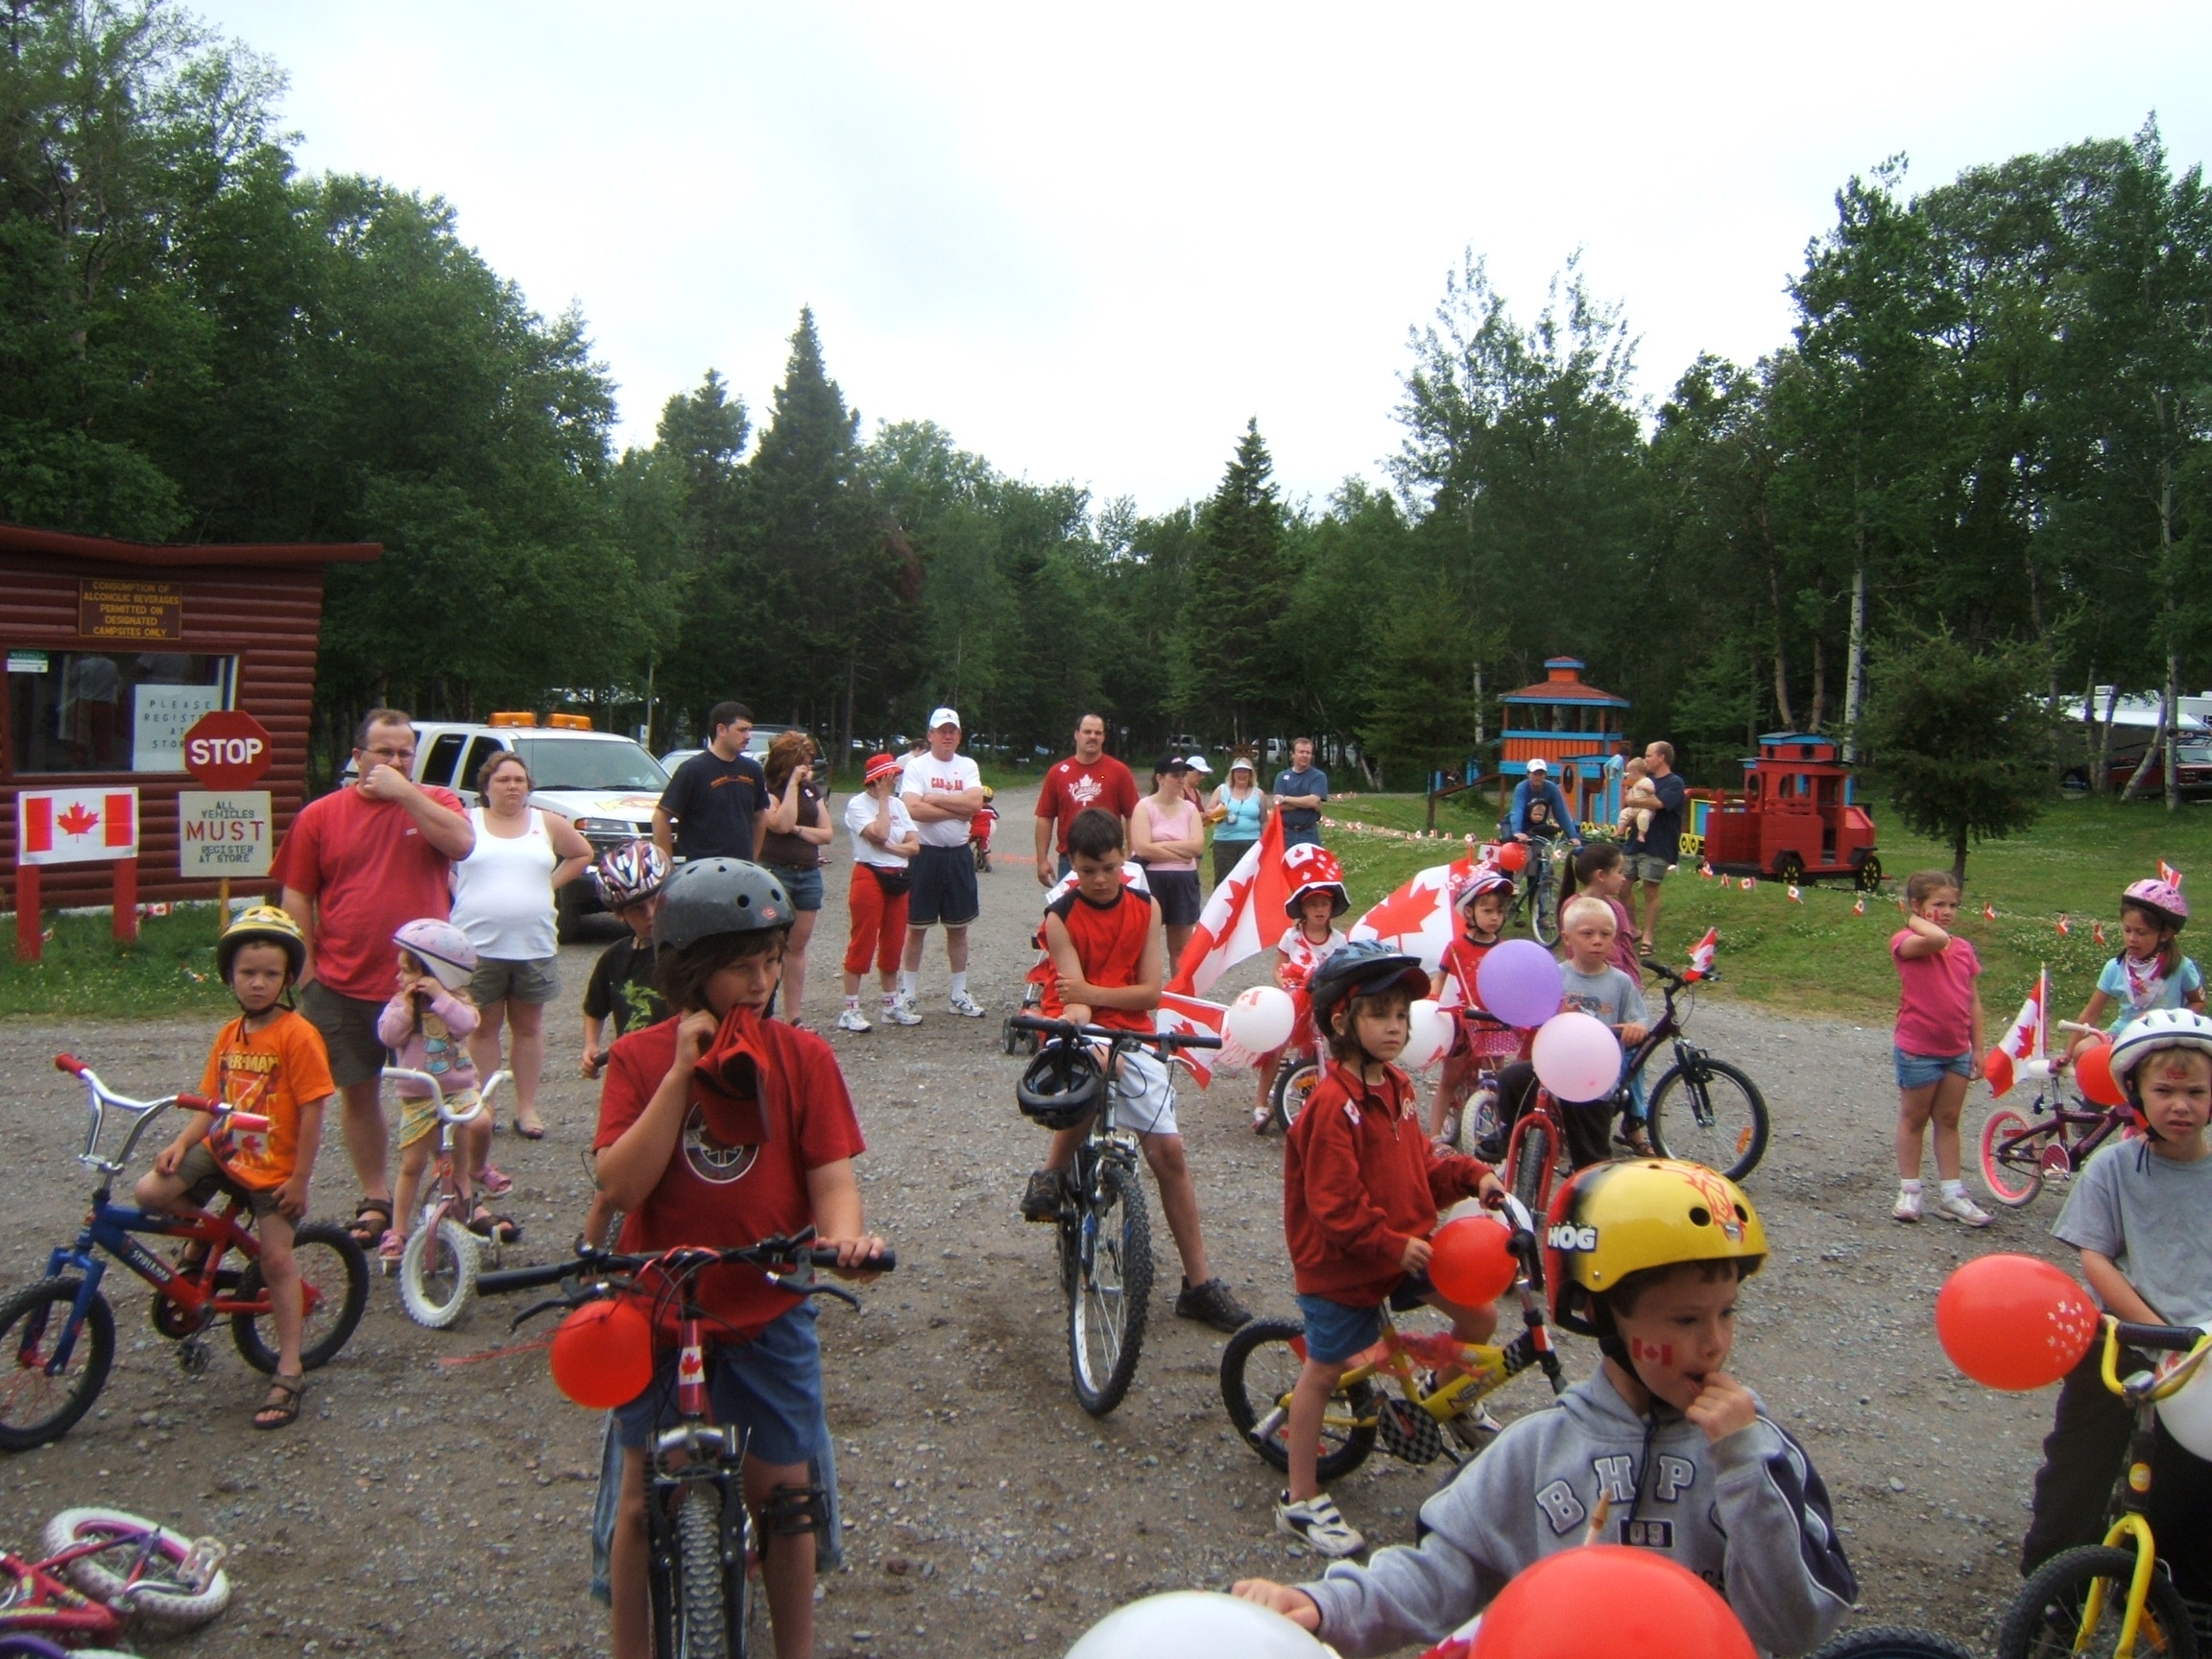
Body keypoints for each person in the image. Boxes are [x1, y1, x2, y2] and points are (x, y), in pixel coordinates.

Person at [1233, 1158, 1857, 1655]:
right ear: (1600, 1313)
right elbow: (1439, 1577)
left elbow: (1796, 1626)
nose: (1715, 1342)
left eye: (1727, 1313)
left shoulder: (1757, 1450)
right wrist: (1327, 1608)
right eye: (1687, 1319)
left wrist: (1744, 1464)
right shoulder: (1536, 1451)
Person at [593, 856, 884, 1659]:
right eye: (738, 966)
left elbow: (832, 1177)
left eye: (769, 959)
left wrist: (844, 1236)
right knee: (635, 1503)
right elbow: (621, 1185)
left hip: (767, 1304)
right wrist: (683, 1076)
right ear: (690, 969)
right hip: (656, 1307)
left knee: (785, 1499)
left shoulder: (803, 1059)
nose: (759, 981)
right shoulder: (640, 1059)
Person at [1275, 941, 1506, 1557]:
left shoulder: (1399, 1084)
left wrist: (1469, 1176)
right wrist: (1386, 1243)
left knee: (1480, 1311)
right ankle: (1300, 1500)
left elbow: (1420, 1164)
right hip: (1344, 1265)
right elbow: (1334, 1205)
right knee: (1322, 1375)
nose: (1396, 1027)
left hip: (1403, 1249)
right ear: (1342, 1019)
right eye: (1380, 1014)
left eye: (1402, 1015)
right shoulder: (1331, 1106)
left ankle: (1451, 1400)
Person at [1017, 806, 1252, 1333]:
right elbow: (1071, 1002)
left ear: (1124, 859)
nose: (1099, 880)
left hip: (1133, 1024)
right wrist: (1090, 1026)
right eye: (1087, 870)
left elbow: (1149, 991)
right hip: (1077, 1024)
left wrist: (1096, 998)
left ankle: (1199, 1284)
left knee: (1169, 1152)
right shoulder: (1059, 917)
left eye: (1108, 867)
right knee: (1092, 1063)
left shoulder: (1146, 909)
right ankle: (1052, 1174)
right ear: (1071, 866)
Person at [2021, 1009, 2212, 1600]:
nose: (2180, 1104)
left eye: (2196, 1092)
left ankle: (2184, 1597)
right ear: (2135, 1093)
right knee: (2082, 1453)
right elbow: (2097, 1259)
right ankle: (2056, 1584)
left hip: (2206, 1349)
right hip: (2130, 1334)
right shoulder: (2112, 1167)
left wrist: (2195, 1345)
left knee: (2191, 1478)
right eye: (2165, 1091)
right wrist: (2156, 1331)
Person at [275, 708, 475, 1251]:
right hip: (341, 983)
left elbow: (461, 845)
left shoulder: (437, 803)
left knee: (439, 1091)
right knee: (357, 1092)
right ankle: (375, 1197)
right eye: (383, 752)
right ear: (358, 756)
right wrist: (305, 968)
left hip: (423, 990)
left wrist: (405, 792)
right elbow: (297, 892)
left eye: (404, 752)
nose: (394, 761)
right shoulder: (320, 815)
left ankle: (451, 1191)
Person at [135, 905, 333, 1431]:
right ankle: (208, 1238)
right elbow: (210, 1098)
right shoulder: (229, 1034)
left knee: (277, 1262)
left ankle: (289, 1368)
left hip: (273, 1168)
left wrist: (300, 1178)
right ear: (229, 976)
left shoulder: (298, 1035)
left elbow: (314, 1106)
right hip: (226, 1151)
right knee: (149, 1193)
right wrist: (181, 1143)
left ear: (288, 978)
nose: (258, 983)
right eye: (248, 973)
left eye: (271, 974)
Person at [450, 751, 591, 1141]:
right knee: (483, 1029)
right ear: (486, 787)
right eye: (503, 780)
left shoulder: (546, 823)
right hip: (477, 947)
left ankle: (527, 1109)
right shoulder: (467, 823)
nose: (512, 786)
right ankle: (484, 1105)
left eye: (519, 780)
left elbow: (582, 854)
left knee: (528, 1028)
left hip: (533, 944)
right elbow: (442, 866)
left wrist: (550, 885)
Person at [375, 918, 517, 1260]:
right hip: (419, 1096)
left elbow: (466, 1025)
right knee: (412, 1164)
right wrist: (409, 1008)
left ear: (433, 974)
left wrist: (439, 997)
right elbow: (387, 1036)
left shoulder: (457, 1000)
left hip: (459, 1089)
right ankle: (398, 1230)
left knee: (479, 1123)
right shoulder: (400, 1004)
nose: (400, 979)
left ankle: (479, 1170)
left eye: (407, 972)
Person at [1890, 869, 1991, 1226]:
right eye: (1939, 905)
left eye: (1953, 905)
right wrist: (1915, 919)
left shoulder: (1963, 949)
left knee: (1948, 1120)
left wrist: (1978, 1048)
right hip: (1918, 1047)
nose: (1948, 912)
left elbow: (1973, 1002)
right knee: (1914, 1118)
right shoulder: (1907, 941)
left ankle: (1953, 1193)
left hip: (1956, 1050)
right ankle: (1910, 1190)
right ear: (1917, 907)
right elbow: (1934, 939)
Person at [1558, 844, 1652, 1151]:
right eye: (1620, 872)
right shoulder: (1575, 907)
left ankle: (1633, 1122)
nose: (1625, 879)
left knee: (1633, 1057)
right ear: (1601, 875)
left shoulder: (1618, 909)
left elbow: (1625, 952)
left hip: (1617, 989)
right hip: (1586, 998)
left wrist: (1630, 984)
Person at [1255, 845, 1352, 1132]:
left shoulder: (1338, 940)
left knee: (1318, 1051)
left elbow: (1343, 971)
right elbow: (1278, 967)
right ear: (1304, 910)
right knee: (1276, 1048)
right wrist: (1282, 980)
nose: (1320, 910)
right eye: (1313, 905)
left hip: (1322, 1003)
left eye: (1324, 904)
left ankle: (1312, 1098)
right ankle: (1261, 1102)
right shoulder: (1292, 937)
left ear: (1332, 907)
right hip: (1294, 1001)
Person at [1425, 867, 1525, 1145]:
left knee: (1496, 1076)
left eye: (1500, 912)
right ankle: (1433, 1136)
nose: (1494, 917)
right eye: (1487, 910)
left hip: (1494, 1022)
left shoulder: (1504, 949)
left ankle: (1494, 1132)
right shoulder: (1456, 947)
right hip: (1463, 1020)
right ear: (1470, 912)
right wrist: (1432, 1002)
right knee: (1451, 1076)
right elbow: (1440, 980)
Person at [900, 708, 988, 1018]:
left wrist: (934, 798)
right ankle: (908, 992)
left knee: (959, 927)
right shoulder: (917, 766)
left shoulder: (967, 766)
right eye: (942, 730)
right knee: (916, 927)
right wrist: (957, 808)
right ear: (930, 735)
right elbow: (912, 809)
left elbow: (975, 804)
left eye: (953, 731)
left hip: (958, 853)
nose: (947, 736)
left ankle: (958, 991)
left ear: (959, 736)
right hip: (925, 853)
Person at [2064, 878, 2204, 1053]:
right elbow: (2091, 1013)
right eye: (2127, 930)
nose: (2132, 939)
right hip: (2124, 1032)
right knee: (2084, 1050)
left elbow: (2198, 1002)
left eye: (2141, 932)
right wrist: (2068, 1052)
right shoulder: (2115, 967)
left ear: (2165, 934)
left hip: (2164, 1035)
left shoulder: (2181, 967)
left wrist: (2173, 1021)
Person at [755, 732, 835, 1027]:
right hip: (777, 872)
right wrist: (791, 785)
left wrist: (800, 831)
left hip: (808, 873)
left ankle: (794, 1017)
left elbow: (826, 833)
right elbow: (780, 822)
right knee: (771, 945)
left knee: (797, 947)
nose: (809, 768)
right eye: (804, 762)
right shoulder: (770, 790)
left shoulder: (812, 791)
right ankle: (763, 1012)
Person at [838, 753, 923, 1032]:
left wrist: (892, 849)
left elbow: (914, 846)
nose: (895, 781)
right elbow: (879, 832)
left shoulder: (899, 804)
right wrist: (884, 800)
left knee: (894, 940)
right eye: (889, 777)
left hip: (897, 874)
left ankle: (891, 1003)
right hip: (869, 874)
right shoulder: (858, 804)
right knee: (863, 939)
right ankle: (851, 1007)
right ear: (876, 780)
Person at [580, 841, 672, 1079]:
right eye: (638, 909)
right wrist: (591, 1046)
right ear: (619, 914)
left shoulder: (688, 949)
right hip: (633, 1068)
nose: (650, 914)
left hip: (677, 1065)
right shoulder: (614, 959)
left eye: (656, 901)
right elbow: (594, 1008)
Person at [653, 701, 768, 864]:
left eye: (750, 730)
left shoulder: (753, 770)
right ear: (721, 729)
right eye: (742, 730)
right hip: (702, 869)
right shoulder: (693, 770)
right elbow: (660, 817)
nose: (748, 736)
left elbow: (760, 818)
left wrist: (752, 860)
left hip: (741, 870)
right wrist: (665, 865)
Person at [1033, 713, 1140, 886]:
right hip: (1071, 860)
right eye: (1087, 732)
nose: (1092, 737)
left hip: (1108, 860)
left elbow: (1132, 815)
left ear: (1104, 737)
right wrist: (1042, 859)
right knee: (1069, 911)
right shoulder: (1058, 773)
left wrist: (1133, 856)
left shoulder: (1119, 772)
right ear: (1076, 735)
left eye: (1098, 733)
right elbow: (1045, 817)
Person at [1132, 754, 1207, 961]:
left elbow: (1197, 845)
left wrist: (1160, 845)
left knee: (1181, 949)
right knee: (1145, 944)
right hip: (1151, 881)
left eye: (1183, 775)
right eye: (1175, 775)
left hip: (1183, 881)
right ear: (1160, 778)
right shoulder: (1144, 807)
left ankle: (1178, 991)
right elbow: (1142, 848)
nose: (1181, 780)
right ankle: (1146, 990)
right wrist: (1180, 852)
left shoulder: (1190, 809)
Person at [1628, 740, 1689, 949]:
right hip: (1635, 841)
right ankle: (1633, 929)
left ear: (1661, 757)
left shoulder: (1675, 783)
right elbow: (1629, 798)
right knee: (1621, 884)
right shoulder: (1645, 780)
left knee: (1650, 889)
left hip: (1659, 844)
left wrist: (1636, 802)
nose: (1645, 760)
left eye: (1649, 755)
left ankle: (1648, 937)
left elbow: (1659, 804)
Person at [1209, 751, 1270, 884]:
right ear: (1232, 773)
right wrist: (1218, 812)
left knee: (1248, 882)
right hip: (1225, 842)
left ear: (1250, 774)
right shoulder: (1222, 790)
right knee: (1223, 881)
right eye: (1238, 771)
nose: (1241, 775)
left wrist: (1265, 844)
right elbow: (1208, 814)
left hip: (1251, 842)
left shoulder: (1258, 793)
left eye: (1245, 771)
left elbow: (1264, 820)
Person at [1273, 737, 1330, 850]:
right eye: (1301, 752)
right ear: (1292, 754)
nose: (1304, 755)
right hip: (1286, 834)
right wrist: (1307, 802)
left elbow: (1314, 802)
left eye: (1308, 753)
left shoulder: (1318, 776)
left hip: (1308, 833)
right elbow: (1279, 806)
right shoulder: (1282, 777)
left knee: (1309, 866)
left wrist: (1285, 798)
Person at [1505, 757, 1575, 847]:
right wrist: (1517, 831)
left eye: (1540, 774)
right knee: (1508, 838)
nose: (1537, 777)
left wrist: (1573, 836)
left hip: (1536, 824)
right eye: (1535, 774)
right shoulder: (1521, 788)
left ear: (1545, 775)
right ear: (1528, 774)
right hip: (1519, 823)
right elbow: (1517, 810)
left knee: (1544, 842)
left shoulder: (1552, 789)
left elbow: (1561, 813)